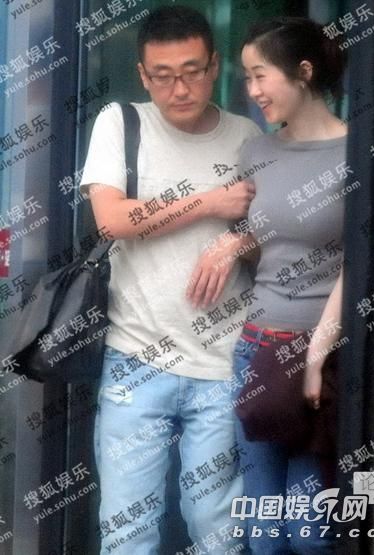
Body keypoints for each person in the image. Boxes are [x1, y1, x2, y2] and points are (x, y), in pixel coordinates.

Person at [80, 5, 261, 554]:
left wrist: (237, 241)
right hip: (136, 359)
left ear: (215, 66)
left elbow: (271, 238)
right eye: (162, 76)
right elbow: (112, 219)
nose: (179, 89)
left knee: (217, 531)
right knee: (127, 531)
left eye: (191, 72)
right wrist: (210, 202)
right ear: (142, 75)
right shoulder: (120, 122)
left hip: (223, 362)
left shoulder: (247, 137)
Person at [187, 16, 348, 554]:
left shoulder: (358, 155)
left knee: (311, 534)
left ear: (303, 72)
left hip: (323, 359)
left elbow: (359, 264)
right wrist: (235, 242)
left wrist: (317, 355)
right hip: (258, 351)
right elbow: (274, 242)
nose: (252, 91)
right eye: (247, 78)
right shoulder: (258, 152)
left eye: (260, 76)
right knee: (263, 531)